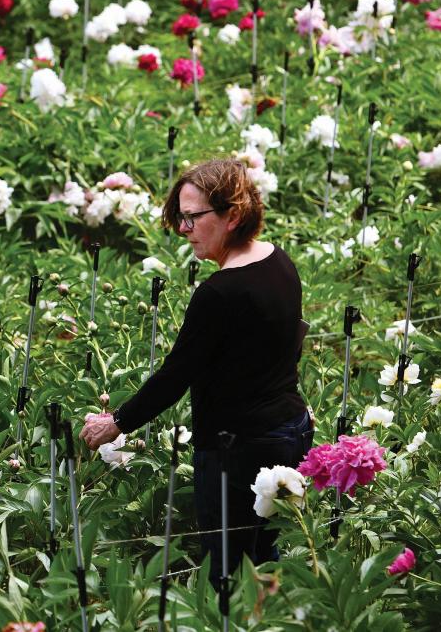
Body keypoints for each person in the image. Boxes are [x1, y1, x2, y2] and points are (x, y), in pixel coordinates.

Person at [80, 158, 313, 589]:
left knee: (228, 574)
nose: (184, 229)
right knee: (272, 561)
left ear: (234, 215)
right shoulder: (279, 262)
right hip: (290, 429)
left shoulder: (219, 293)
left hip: (238, 451)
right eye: (180, 217)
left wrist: (116, 423)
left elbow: (176, 374)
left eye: (193, 217)